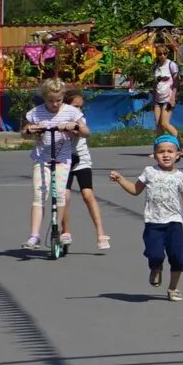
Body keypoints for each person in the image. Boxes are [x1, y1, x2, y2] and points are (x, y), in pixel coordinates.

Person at [113, 140, 183, 301]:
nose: (166, 155)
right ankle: (156, 267)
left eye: (170, 151)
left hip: (174, 222)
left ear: (178, 155)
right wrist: (120, 179)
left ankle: (173, 288)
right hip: (153, 222)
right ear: (154, 155)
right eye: (161, 151)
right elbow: (135, 190)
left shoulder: (180, 176)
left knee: (178, 257)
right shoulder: (149, 171)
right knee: (155, 254)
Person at [22, 84, 86, 252]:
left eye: (58, 100)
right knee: (39, 194)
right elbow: (23, 131)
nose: (55, 104)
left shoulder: (71, 112)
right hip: (42, 158)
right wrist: (30, 129)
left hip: (62, 159)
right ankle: (34, 235)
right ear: (44, 98)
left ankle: (57, 228)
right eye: (51, 101)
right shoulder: (36, 112)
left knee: (59, 193)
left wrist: (75, 127)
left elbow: (87, 132)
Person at [63, 88, 112, 253]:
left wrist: (76, 128)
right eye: (75, 106)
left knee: (88, 194)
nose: (78, 110)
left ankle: (101, 233)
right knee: (65, 196)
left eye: (80, 107)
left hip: (81, 160)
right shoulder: (58, 118)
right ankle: (66, 232)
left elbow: (84, 132)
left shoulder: (80, 118)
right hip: (63, 160)